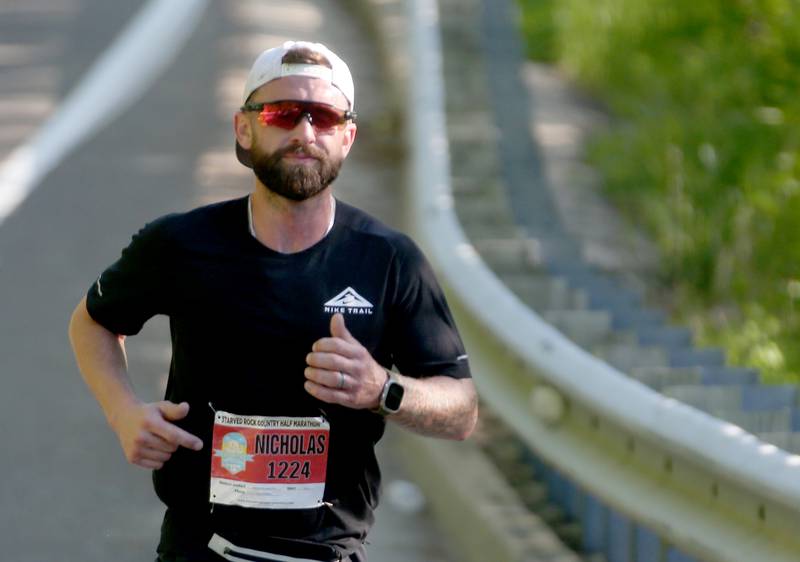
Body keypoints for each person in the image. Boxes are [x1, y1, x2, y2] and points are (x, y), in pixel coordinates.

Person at [68, 40, 478, 562]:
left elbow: (461, 410)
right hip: (200, 548)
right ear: (245, 128)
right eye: (284, 114)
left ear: (347, 137)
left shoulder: (389, 259)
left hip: (327, 552)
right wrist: (123, 413)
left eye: (324, 117)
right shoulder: (181, 244)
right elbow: (93, 323)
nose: (305, 133)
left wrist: (382, 388)